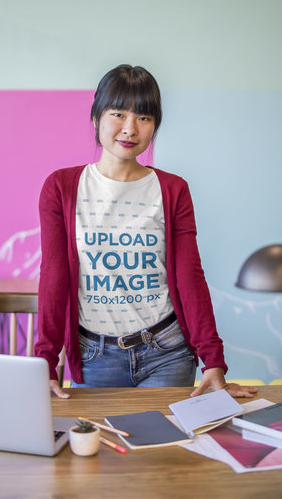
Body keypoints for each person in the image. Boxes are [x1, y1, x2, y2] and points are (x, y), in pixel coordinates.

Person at [35, 64, 257, 400]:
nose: (129, 128)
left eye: (144, 117)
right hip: (96, 356)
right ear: (96, 118)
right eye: (118, 113)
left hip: (166, 353)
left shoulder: (172, 189)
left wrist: (213, 360)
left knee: (168, 448)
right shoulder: (62, 188)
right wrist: (45, 362)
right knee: (103, 451)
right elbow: (54, 276)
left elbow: (189, 276)